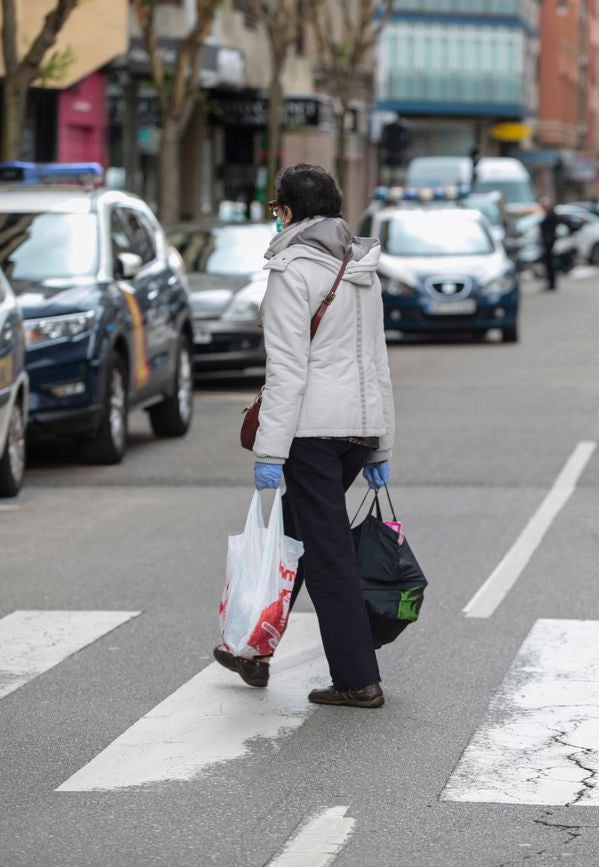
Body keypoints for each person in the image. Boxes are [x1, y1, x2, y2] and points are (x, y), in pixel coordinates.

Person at [213, 164, 395, 710]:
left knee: (327, 554)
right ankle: (253, 648)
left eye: (277, 210)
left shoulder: (292, 269)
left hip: (312, 434)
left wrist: (270, 451)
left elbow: (287, 370)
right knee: (297, 533)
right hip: (356, 430)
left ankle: (357, 680)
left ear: (287, 213)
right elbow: (377, 362)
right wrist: (380, 444)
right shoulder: (361, 265)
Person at [538, 196, 560, 291]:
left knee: (550, 263)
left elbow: (552, 228)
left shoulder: (551, 214)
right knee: (548, 264)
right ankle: (550, 282)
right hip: (547, 242)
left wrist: (549, 238)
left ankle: (552, 283)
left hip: (549, 242)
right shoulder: (547, 214)